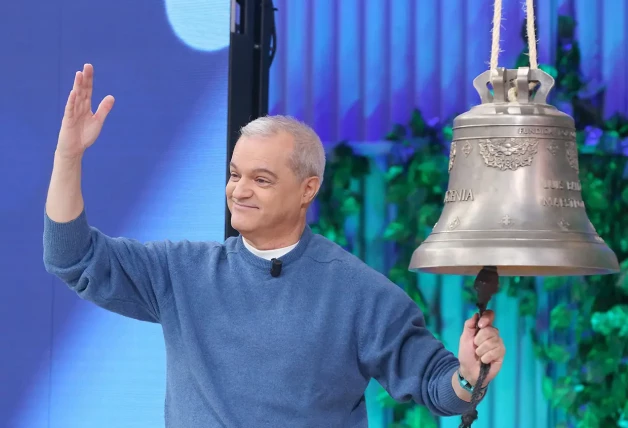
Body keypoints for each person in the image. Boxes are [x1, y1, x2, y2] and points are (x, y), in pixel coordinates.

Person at [43, 64, 505, 428]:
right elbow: (72, 257)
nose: (239, 190)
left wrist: (468, 373)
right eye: (234, 174)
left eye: (261, 180)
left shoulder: (360, 294)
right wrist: (68, 155)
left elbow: (439, 389)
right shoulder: (179, 272)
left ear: (308, 189)